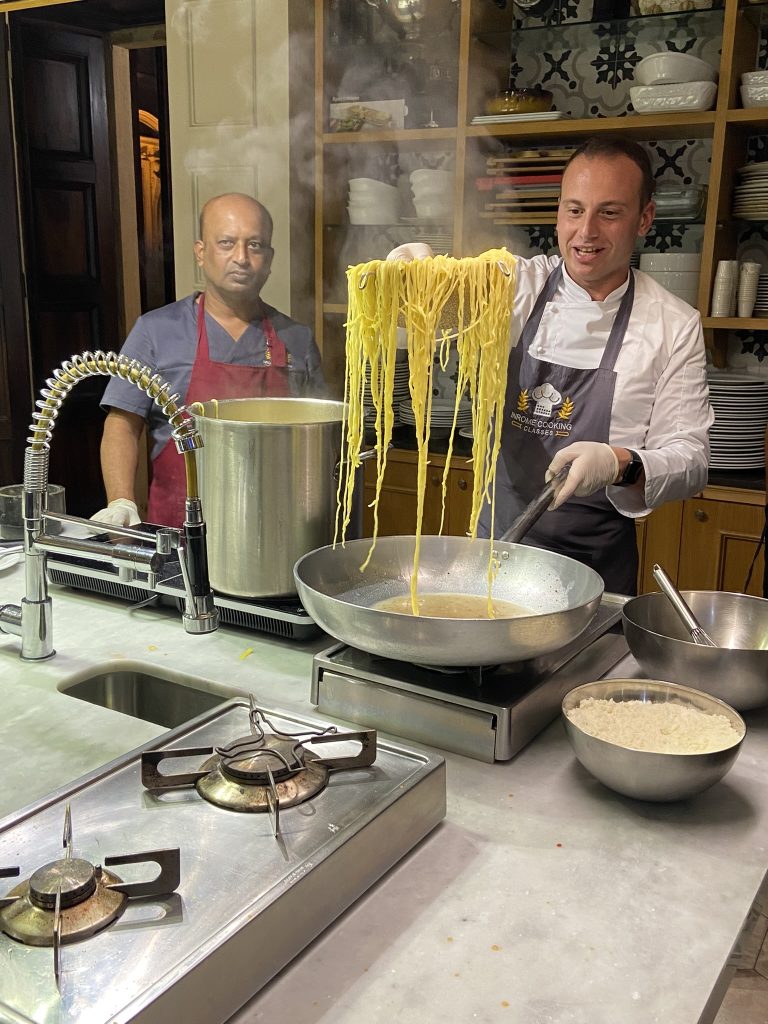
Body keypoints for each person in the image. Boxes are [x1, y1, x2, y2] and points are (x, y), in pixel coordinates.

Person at [389, 136, 713, 594]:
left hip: (596, 573)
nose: (586, 232)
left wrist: (618, 463)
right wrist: (412, 279)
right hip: (497, 550)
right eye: (574, 210)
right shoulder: (517, 283)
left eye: (610, 212)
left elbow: (691, 459)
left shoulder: (672, 325)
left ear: (645, 219)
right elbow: (439, 306)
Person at [93, 193, 324, 529]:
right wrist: (120, 500)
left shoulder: (297, 339)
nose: (242, 258)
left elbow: (323, 436)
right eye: (227, 243)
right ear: (201, 252)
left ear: (270, 258)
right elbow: (122, 424)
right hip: (181, 536)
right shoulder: (155, 331)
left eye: (255, 245)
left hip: (278, 530)